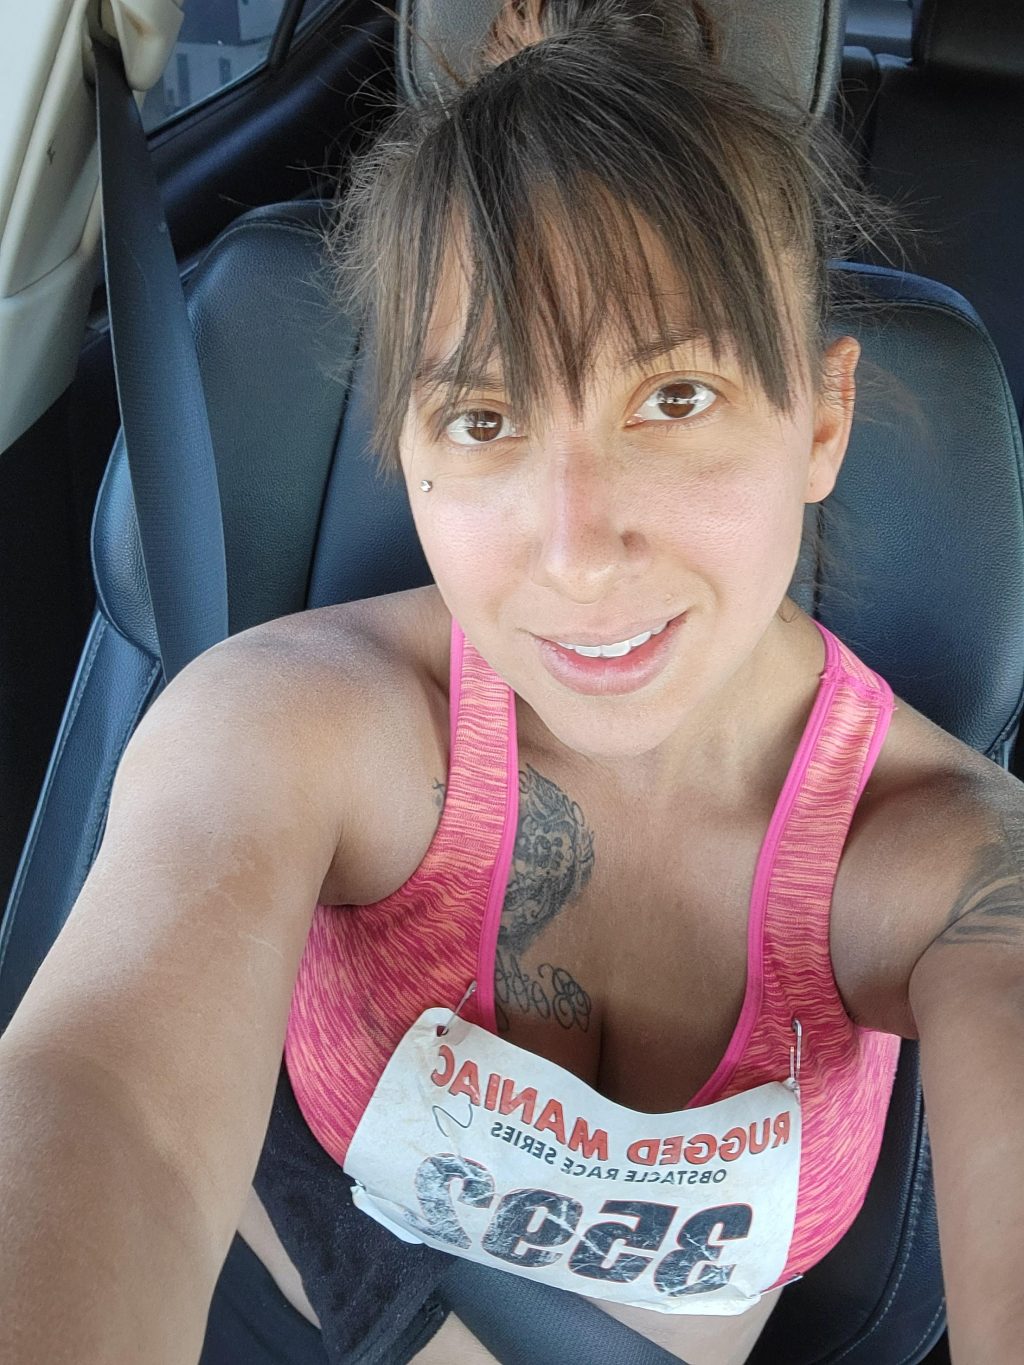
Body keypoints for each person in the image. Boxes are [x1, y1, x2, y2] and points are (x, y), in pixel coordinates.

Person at [1, 1, 1022, 1362]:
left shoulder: (942, 853)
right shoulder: (296, 723)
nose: (576, 549)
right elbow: (106, 1104)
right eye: (485, 420)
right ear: (406, 449)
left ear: (821, 419)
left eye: (674, 399)